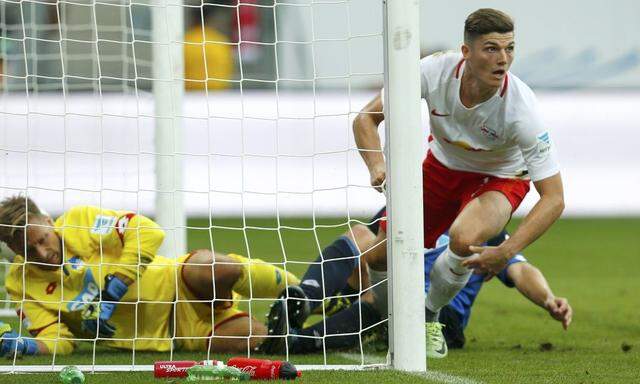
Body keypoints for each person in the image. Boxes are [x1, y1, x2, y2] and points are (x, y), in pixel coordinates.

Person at [352, 8, 565, 357]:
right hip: (441, 168)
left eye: (510, 48)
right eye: (491, 49)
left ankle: (428, 317)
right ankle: (390, 320)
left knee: (464, 239)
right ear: (466, 52)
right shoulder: (431, 71)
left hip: (501, 177)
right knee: (378, 259)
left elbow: (554, 198)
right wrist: (378, 165)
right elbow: (366, 118)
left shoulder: (522, 109)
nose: (503, 59)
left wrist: (506, 251)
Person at [0, 195, 297, 357]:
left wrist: (114, 289)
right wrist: (22, 346)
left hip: (179, 282)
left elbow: (148, 231)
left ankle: (311, 291)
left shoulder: (80, 221)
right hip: (176, 335)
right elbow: (58, 341)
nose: (41, 253)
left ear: (50, 222)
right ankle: (325, 333)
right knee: (261, 338)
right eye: (27, 250)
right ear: (13, 250)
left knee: (219, 267)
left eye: (42, 240)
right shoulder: (19, 283)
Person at [260, 223, 572, 356]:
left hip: (441, 317)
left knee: (389, 294)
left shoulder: (487, 226)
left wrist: (548, 300)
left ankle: (299, 342)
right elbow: (366, 246)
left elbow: (520, 269)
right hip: (396, 293)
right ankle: (304, 297)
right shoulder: (416, 203)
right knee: (361, 236)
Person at [184, 2, 234, 91]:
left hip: (189, 96)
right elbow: (228, 70)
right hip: (218, 95)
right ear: (210, 20)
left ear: (192, 19)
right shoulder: (221, 41)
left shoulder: (185, 41)